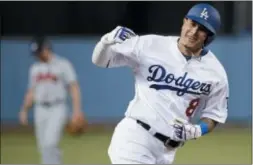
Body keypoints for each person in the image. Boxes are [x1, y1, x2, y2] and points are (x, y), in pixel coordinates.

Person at [92, 3, 229, 164]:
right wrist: (106, 41)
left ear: (209, 36)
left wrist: (198, 130)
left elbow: (214, 115)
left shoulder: (216, 73)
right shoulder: (149, 45)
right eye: (192, 24)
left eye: (201, 29)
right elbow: (101, 61)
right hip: (135, 138)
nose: (193, 32)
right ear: (184, 21)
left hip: (168, 152)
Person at [19, 36, 85, 164]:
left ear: (46, 48)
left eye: (39, 52)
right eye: (35, 53)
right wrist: (24, 110)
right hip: (40, 109)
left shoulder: (63, 64)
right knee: (43, 147)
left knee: (50, 142)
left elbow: (74, 87)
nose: (37, 55)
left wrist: (77, 111)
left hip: (58, 108)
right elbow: (31, 91)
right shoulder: (34, 69)